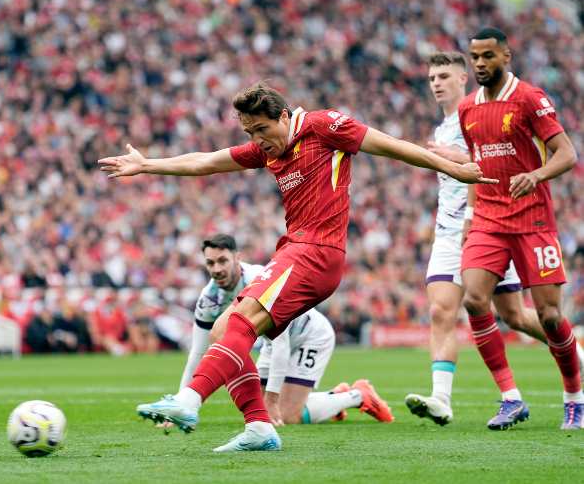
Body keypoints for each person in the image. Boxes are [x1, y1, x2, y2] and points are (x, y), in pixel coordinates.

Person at [100, 81, 495, 451]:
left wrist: (451, 168)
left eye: (261, 129)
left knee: (237, 323)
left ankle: (189, 401)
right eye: (249, 133)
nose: (257, 141)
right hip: (297, 249)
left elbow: (391, 146)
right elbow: (206, 161)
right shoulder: (268, 149)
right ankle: (258, 427)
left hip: (316, 251)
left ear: (284, 117)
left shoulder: (325, 126)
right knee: (226, 328)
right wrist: (148, 164)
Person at [405, 51, 584, 425]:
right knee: (447, 307)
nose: (436, 83)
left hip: (510, 220)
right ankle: (447, 398)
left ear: (462, 78)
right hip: (460, 229)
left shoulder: (497, 109)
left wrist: (455, 165)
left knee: (523, 316)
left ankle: (575, 361)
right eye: (431, 77)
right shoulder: (447, 125)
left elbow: (478, 166)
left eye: (443, 76)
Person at [458, 27, 581, 430]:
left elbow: (567, 153)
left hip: (533, 220)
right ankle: (511, 398)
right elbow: (478, 169)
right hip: (490, 221)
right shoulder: (467, 108)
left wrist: (537, 175)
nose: (480, 63)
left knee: (548, 316)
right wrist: (471, 218)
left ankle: (574, 398)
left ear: (506, 56)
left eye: (488, 56)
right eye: (475, 57)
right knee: (475, 301)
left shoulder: (530, 98)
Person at [177, 234, 392, 428]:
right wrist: (181, 403)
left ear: (237, 258)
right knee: (256, 407)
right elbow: (197, 352)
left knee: (287, 415)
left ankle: (357, 395)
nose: (217, 269)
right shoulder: (209, 299)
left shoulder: (259, 280)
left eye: (222, 260)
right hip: (272, 344)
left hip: (310, 335)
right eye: (210, 263)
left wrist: (272, 399)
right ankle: (335, 397)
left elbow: (282, 343)